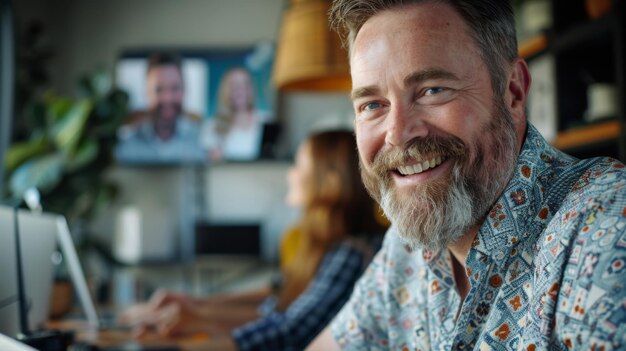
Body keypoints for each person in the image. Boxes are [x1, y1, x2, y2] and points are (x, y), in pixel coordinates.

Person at [307, 0, 626, 350]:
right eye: (372, 105)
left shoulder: (607, 228)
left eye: (433, 90)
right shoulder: (404, 250)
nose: (397, 133)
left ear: (514, 92)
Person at [120, 130, 388, 350]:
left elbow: (291, 330)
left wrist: (199, 318)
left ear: (330, 180)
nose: (290, 174)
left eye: (299, 165)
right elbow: (277, 299)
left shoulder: (352, 252)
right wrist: (196, 305)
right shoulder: (325, 244)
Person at [115, 53, 206, 164]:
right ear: (146, 92)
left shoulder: (202, 142)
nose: (167, 98)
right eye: (159, 89)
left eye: (175, 88)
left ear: (184, 90)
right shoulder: (125, 145)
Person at [201, 67, 270, 161]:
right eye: (235, 85)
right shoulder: (213, 126)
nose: (241, 90)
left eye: (245, 84)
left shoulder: (266, 120)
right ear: (226, 90)